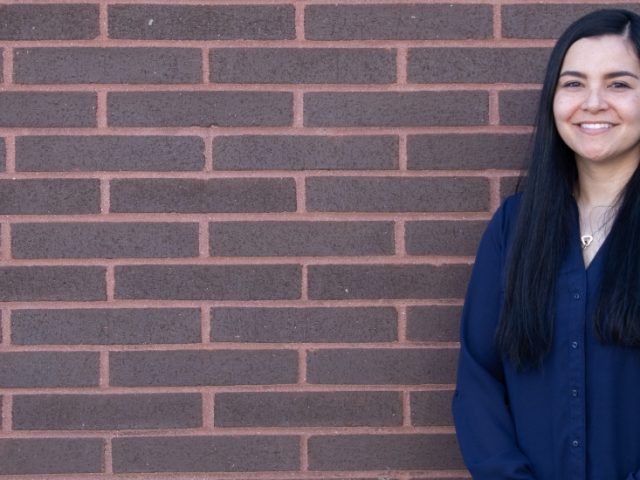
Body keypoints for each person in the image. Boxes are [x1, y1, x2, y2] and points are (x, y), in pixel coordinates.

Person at [452, 9, 640, 480]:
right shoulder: (514, 229)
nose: (593, 102)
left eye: (619, 84)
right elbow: (480, 381)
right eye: (573, 84)